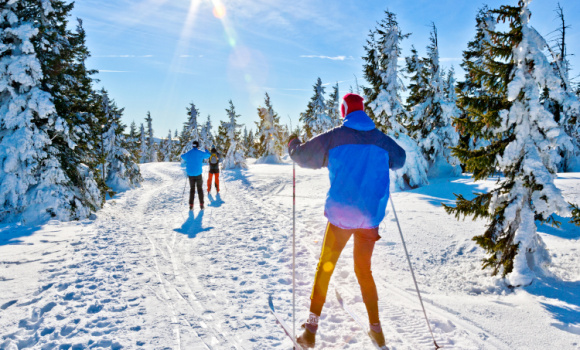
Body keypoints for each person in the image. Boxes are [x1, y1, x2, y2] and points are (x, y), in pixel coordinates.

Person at [288, 93, 406, 349]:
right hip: (369, 219)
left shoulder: (335, 136)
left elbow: (302, 157)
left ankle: (310, 329)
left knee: (326, 266)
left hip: (341, 217)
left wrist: (293, 144)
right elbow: (400, 160)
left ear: (345, 111)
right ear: (363, 111)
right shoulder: (380, 139)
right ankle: (377, 330)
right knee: (363, 270)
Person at [181, 140, 210, 210]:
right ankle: (201, 205)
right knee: (200, 189)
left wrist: (186, 153)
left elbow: (182, 156)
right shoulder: (200, 153)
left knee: (192, 190)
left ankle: (191, 205)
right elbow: (208, 155)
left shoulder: (189, 153)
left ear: (192, 145)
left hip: (190, 174)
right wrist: (206, 149)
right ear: (198, 146)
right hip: (198, 174)